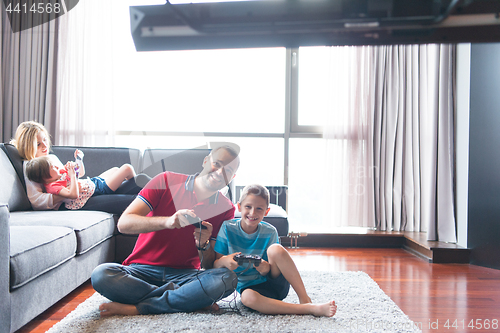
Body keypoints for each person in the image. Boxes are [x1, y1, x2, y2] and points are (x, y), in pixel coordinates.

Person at [90, 144, 241, 316]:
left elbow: (207, 266)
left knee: (226, 279)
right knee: (101, 275)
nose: (220, 172)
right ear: (206, 161)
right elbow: (124, 223)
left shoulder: (226, 208)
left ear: (232, 176)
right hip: (140, 270)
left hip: (185, 275)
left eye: (228, 170)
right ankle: (187, 299)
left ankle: (140, 308)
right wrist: (167, 222)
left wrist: (203, 245)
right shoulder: (165, 180)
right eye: (217, 164)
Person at [213, 184, 337, 317]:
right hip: (249, 290)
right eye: (248, 207)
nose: (252, 213)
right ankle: (308, 309)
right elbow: (215, 266)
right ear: (239, 207)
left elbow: (273, 266)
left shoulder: (270, 231)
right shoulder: (227, 228)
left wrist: (266, 268)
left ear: (266, 212)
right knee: (247, 297)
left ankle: (305, 299)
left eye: (259, 209)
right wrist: (224, 261)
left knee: (275, 249)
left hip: (274, 283)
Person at [10, 121, 146, 213]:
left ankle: (161, 193)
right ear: (28, 145)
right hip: (76, 202)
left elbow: (75, 175)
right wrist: (66, 192)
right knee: (133, 197)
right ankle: (161, 196)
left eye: (45, 140)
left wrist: (76, 165)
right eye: (38, 144)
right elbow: (37, 201)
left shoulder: (50, 158)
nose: (45, 146)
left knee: (132, 178)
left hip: (84, 190)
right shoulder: (32, 167)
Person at [25, 152, 137, 210]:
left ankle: (135, 187)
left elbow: (80, 172)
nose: (56, 166)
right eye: (52, 167)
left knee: (116, 170)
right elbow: (73, 194)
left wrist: (78, 160)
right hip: (99, 190)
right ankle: (138, 188)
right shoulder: (53, 186)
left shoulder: (59, 175)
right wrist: (72, 175)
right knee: (127, 168)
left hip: (93, 182)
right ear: (46, 177)